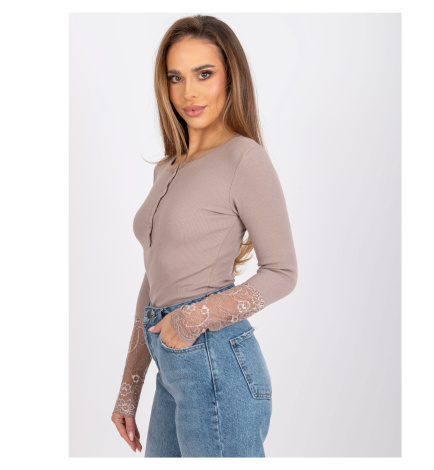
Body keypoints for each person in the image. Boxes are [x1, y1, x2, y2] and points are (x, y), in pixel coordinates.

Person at [110, 14, 298, 458]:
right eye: (175, 77)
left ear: (231, 77)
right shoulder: (166, 168)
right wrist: (128, 389)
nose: (188, 92)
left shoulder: (243, 158)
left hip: (216, 360)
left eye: (204, 74)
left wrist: (191, 319)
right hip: (171, 364)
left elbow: (283, 272)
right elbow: (154, 278)